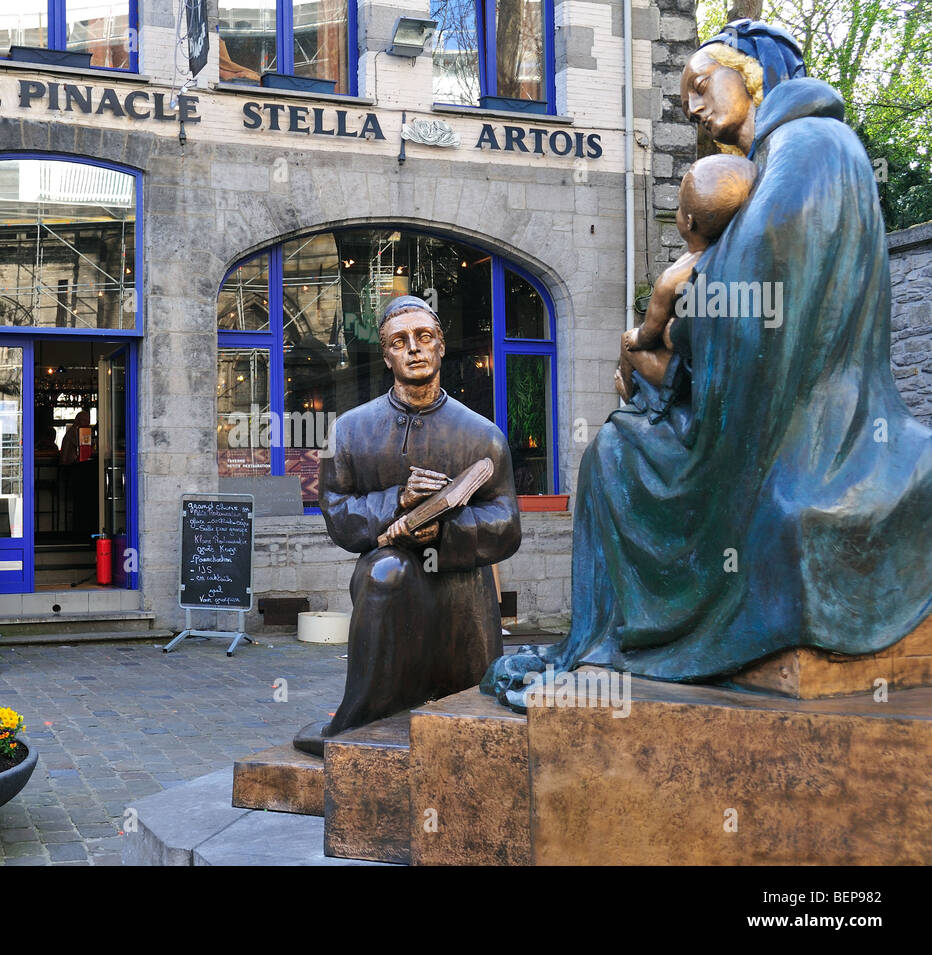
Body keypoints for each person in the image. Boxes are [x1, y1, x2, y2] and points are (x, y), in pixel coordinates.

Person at [487, 20, 932, 701]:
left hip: (805, 427)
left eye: (700, 87)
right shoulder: (784, 154)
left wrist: (683, 310)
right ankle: (615, 635)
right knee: (614, 449)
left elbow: (764, 272)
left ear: (750, 74)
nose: (691, 109)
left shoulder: (812, 142)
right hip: (753, 402)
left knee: (611, 458)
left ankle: (634, 636)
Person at [293, 295, 521, 755]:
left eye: (424, 338)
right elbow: (337, 513)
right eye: (400, 341)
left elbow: (506, 523)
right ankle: (359, 718)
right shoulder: (350, 432)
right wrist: (396, 501)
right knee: (385, 572)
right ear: (386, 355)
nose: (414, 348)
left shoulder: (481, 435)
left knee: (474, 718)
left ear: (440, 348)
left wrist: (444, 531)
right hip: (389, 565)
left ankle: (465, 713)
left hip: (458, 575)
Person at [615, 154, 757, 401]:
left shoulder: (671, 279)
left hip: (679, 373)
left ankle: (629, 398)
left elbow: (649, 333)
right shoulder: (733, 258)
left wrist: (635, 339)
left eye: (680, 208)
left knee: (626, 341)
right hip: (715, 364)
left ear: (689, 222)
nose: (677, 212)